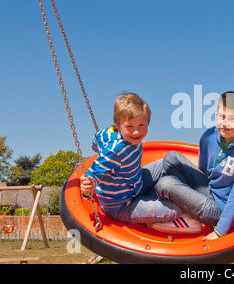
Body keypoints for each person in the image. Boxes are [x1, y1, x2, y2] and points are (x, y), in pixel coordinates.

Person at [80, 92, 201, 233]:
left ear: (148, 122)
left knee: (168, 162)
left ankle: (184, 190)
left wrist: (101, 145)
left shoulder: (107, 133)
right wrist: (87, 189)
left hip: (134, 183)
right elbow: (93, 174)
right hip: (121, 206)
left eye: (141, 125)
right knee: (175, 208)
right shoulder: (115, 150)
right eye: (129, 127)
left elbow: (95, 143)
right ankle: (160, 222)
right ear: (117, 124)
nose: (136, 132)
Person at [154, 91, 234, 240]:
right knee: (171, 157)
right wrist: (188, 197)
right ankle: (185, 213)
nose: (225, 123)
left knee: (165, 184)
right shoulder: (208, 137)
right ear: (216, 114)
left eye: (233, 119)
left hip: (221, 209)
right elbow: (202, 171)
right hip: (209, 191)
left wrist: (220, 231)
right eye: (222, 116)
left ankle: (183, 217)